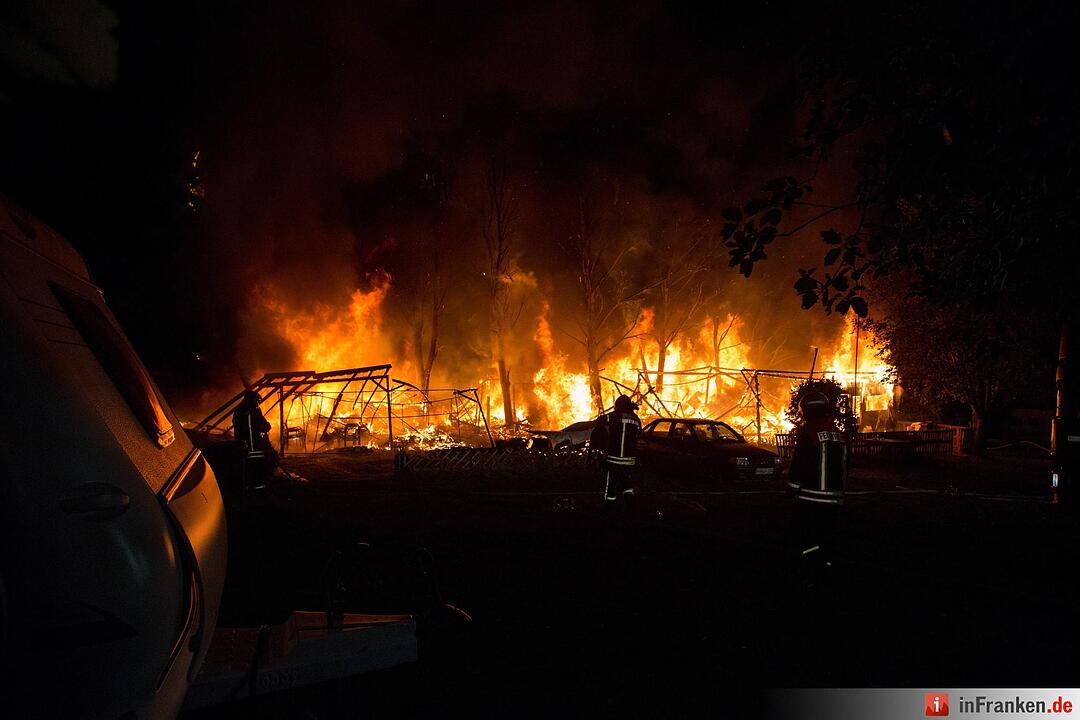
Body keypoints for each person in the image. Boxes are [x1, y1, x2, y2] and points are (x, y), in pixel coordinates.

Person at [787, 390, 848, 583]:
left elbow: (800, 463)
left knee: (804, 533)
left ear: (806, 410)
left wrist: (791, 487)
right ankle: (827, 566)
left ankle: (809, 569)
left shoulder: (809, 432)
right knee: (827, 534)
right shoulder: (837, 433)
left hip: (811, 497)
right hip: (836, 498)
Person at [591, 395, 642, 503]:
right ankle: (629, 503)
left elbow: (599, 421)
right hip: (629, 459)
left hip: (614, 458)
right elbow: (638, 436)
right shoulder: (636, 420)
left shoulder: (614, 416)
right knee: (627, 482)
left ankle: (610, 505)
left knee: (612, 483)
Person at [232, 389, 274, 489]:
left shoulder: (243, 410)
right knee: (252, 464)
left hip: (248, 444)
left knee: (250, 464)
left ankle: (252, 485)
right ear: (251, 400)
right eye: (257, 401)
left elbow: (262, 423)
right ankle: (254, 486)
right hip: (251, 445)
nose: (258, 403)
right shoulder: (249, 411)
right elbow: (262, 425)